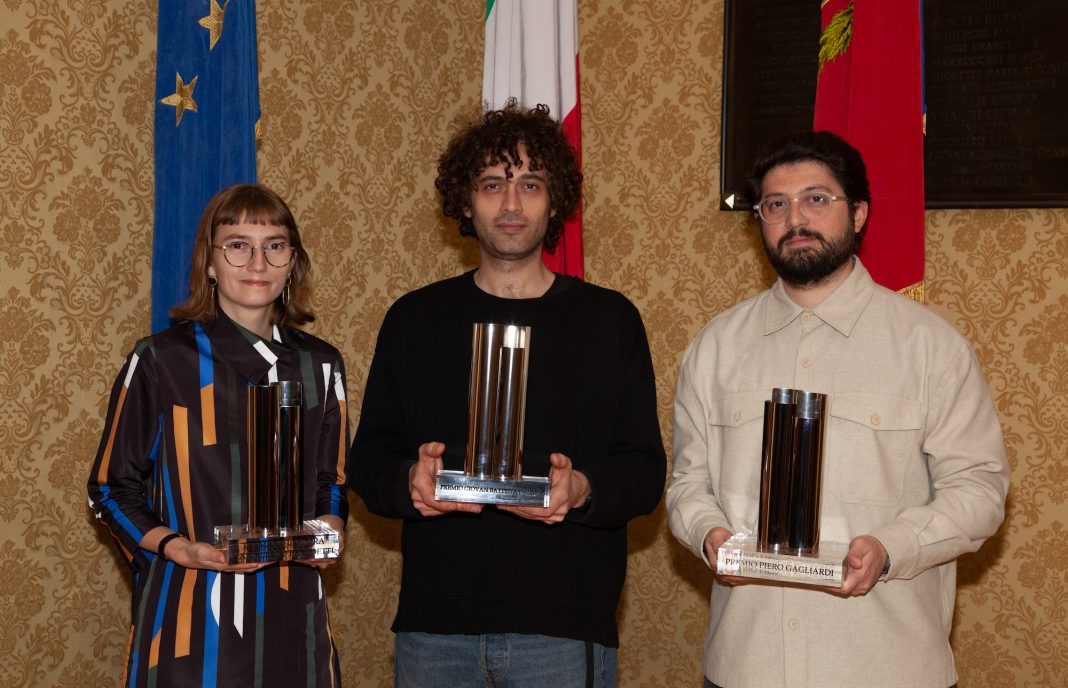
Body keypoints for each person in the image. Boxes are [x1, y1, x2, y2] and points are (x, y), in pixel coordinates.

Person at [666, 131, 1010, 688]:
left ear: (859, 213)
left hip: (886, 668)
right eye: (776, 204)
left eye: (816, 199)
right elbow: (687, 483)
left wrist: (891, 549)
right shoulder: (715, 347)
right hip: (747, 665)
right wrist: (707, 533)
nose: (795, 219)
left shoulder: (930, 347)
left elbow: (980, 490)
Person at [348, 102, 665, 688]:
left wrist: (582, 489)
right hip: (435, 630)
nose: (512, 204)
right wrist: (408, 482)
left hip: (564, 627)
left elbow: (644, 471)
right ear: (466, 202)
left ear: (555, 201)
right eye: (493, 184)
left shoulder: (610, 320)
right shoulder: (414, 319)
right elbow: (367, 461)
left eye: (531, 184)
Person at [88, 183, 350, 686]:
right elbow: (110, 489)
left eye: (275, 246)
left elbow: (331, 482)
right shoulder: (159, 360)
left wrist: (330, 528)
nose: (258, 262)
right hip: (188, 616)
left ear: (292, 262)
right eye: (237, 245)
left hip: (294, 618)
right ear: (209, 263)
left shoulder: (321, 363)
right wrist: (175, 547)